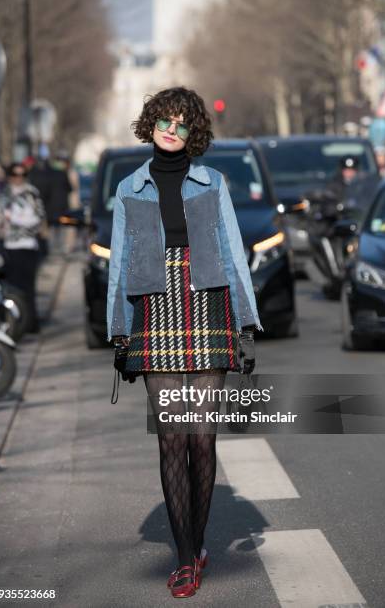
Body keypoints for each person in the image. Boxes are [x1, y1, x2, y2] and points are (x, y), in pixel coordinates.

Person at [106, 87, 262, 598]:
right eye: (164, 122)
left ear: (194, 134)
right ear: (149, 124)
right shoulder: (130, 188)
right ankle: (186, 557)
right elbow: (120, 265)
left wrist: (245, 324)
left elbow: (235, 254)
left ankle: (197, 543)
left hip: (208, 307)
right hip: (154, 312)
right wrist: (120, 332)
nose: (171, 131)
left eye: (182, 125)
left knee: (202, 438)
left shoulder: (212, 183)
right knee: (172, 439)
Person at [0, 162, 48, 332]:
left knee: (28, 286)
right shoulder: (3, 194)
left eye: (22, 175)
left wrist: (14, 219)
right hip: (9, 246)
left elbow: (37, 219)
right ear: (9, 177)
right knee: (14, 287)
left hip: (28, 246)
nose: (18, 178)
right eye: (15, 175)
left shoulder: (31, 192)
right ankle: (18, 324)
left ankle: (31, 323)